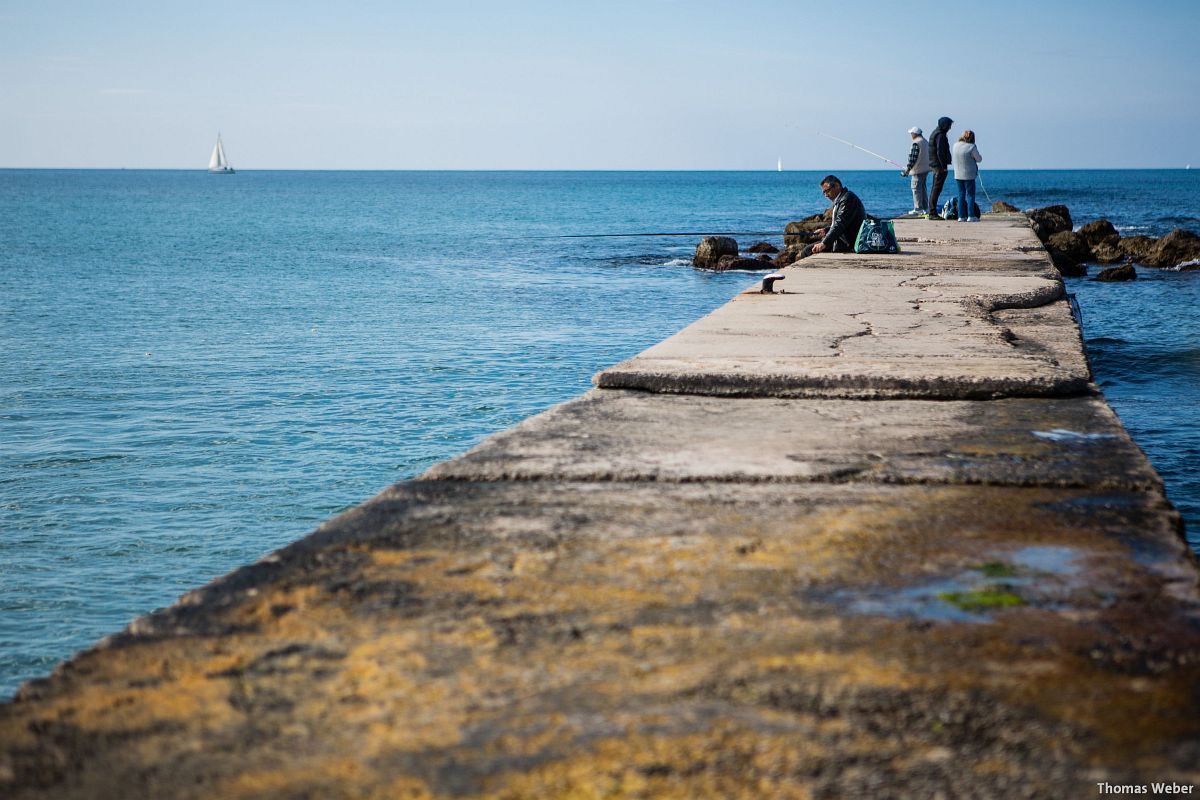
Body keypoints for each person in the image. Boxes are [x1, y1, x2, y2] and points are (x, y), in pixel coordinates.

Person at [797, 175, 866, 259]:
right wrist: (825, 230)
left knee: (807, 251)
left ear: (837, 186)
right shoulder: (841, 199)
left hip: (848, 243)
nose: (826, 195)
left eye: (827, 191)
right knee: (808, 250)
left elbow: (840, 224)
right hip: (842, 240)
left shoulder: (848, 199)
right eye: (824, 192)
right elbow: (840, 224)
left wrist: (824, 243)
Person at [951, 130, 983, 222]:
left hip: (958, 174)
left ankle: (961, 216)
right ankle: (971, 215)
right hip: (969, 174)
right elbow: (979, 159)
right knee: (970, 195)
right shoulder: (971, 147)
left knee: (961, 195)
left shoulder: (955, 145)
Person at [926, 116, 953, 219]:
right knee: (936, 189)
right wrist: (943, 166)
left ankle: (932, 212)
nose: (950, 128)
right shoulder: (940, 135)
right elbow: (940, 152)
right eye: (949, 125)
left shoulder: (936, 133)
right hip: (939, 166)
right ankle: (932, 213)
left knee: (935, 188)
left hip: (935, 165)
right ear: (945, 125)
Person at [900, 126, 930, 216]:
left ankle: (918, 208)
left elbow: (913, 158)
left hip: (917, 170)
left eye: (911, 134)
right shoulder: (925, 141)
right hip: (926, 169)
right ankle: (925, 208)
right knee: (923, 189)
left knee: (916, 189)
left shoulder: (916, 143)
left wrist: (907, 170)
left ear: (915, 134)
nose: (911, 135)